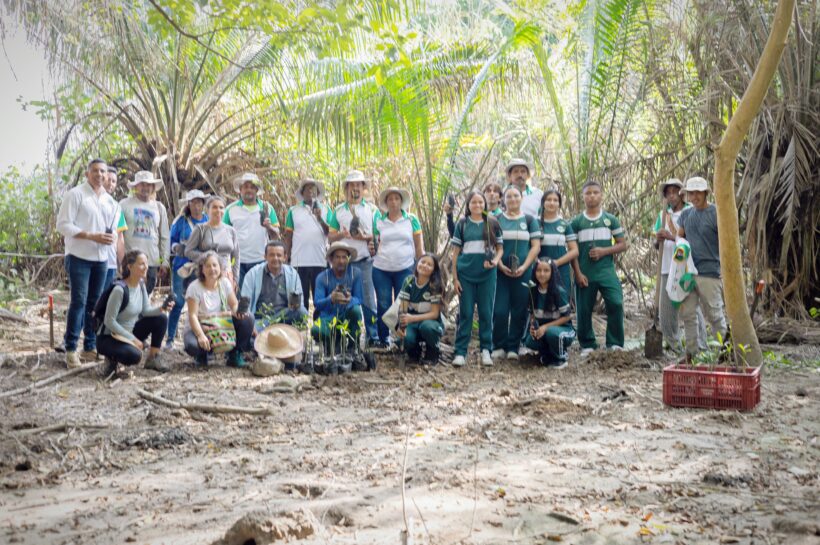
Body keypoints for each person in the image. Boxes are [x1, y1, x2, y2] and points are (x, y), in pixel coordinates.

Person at [56, 159, 122, 368]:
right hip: (78, 257)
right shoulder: (75, 195)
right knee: (78, 301)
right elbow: (63, 225)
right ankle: (70, 348)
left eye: (102, 171)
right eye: (95, 171)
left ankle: (90, 346)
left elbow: (112, 233)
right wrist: (91, 236)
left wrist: (109, 242)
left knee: (95, 305)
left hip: (102, 260)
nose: (99, 174)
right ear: (87, 174)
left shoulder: (112, 203)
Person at [570, 180, 628, 355]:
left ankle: (615, 343)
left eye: (595, 192)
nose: (592, 196)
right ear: (583, 196)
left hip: (606, 271)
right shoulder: (576, 222)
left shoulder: (610, 220)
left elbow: (623, 244)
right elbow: (572, 251)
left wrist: (604, 251)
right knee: (583, 309)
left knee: (616, 303)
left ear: (601, 195)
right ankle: (587, 344)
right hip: (585, 272)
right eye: (588, 193)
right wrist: (577, 273)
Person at [677, 176, 728, 361]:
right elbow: (680, 239)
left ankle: (725, 353)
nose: (694, 196)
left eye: (698, 192)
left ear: (706, 193)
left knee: (715, 314)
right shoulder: (685, 215)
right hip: (689, 274)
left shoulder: (716, 213)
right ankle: (691, 353)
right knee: (689, 315)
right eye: (691, 193)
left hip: (710, 272)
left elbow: (726, 241)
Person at [450, 191, 504, 367]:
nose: (477, 206)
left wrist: (495, 261)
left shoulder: (493, 223)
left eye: (481, 202)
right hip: (465, 275)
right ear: (468, 205)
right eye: (474, 202)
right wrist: (455, 279)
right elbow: (456, 254)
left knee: (486, 313)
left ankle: (486, 350)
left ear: (485, 204)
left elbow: (500, 249)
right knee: (465, 313)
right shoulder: (463, 224)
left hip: (487, 276)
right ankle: (460, 352)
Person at [653, 179, 706, 353]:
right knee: (666, 309)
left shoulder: (691, 213)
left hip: (686, 268)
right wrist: (658, 239)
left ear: (682, 194)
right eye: (668, 193)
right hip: (666, 266)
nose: (672, 195)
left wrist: (669, 236)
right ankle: (673, 344)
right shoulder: (663, 216)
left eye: (675, 191)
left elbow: (694, 239)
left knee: (691, 307)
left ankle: (700, 345)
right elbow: (655, 243)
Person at [97, 250, 171, 374]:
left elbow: (146, 311)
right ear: (130, 267)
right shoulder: (119, 290)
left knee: (161, 318)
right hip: (109, 337)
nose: (146, 267)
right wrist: (133, 339)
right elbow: (109, 321)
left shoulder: (141, 285)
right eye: (141, 264)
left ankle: (153, 358)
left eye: (146, 263)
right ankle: (111, 360)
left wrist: (162, 308)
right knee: (134, 356)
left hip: (129, 332)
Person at [328, 170, 379, 346]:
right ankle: (344, 337)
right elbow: (330, 236)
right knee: (343, 299)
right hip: (343, 263)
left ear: (363, 188)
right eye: (351, 185)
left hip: (365, 261)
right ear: (347, 188)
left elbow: (378, 235)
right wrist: (342, 234)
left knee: (368, 300)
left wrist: (365, 237)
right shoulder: (338, 210)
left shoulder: (372, 209)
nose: (355, 188)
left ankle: (373, 337)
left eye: (358, 185)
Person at [492, 185, 542, 360]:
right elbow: (492, 246)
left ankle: (513, 347)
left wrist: (525, 266)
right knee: (500, 310)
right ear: (503, 200)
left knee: (519, 310)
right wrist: (500, 266)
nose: (513, 199)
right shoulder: (497, 219)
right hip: (500, 273)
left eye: (516, 196)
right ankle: (499, 345)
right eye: (509, 196)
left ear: (521, 198)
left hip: (523, 272)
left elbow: (536, 246)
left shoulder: (529, 220)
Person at [372, 187, 424, 348]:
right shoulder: (379, 220)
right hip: (381, 268)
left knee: (402, 305)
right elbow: (374, 243)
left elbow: (419, 247)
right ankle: (383, 339)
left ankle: (402, 338)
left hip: (405, 268)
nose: (393, 202)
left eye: (396, 198)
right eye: (390, 199)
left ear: (401, 201)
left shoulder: (411, 219)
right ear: (386, 203)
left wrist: (420, 267)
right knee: (383, 303)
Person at [184, 251, 254, 368]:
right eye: (207, 266)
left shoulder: (225, 283)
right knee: (192, 345)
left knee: (248, 318)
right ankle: (202, 355)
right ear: (202, 269)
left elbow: (234, 304)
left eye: (215, 265)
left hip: (220, 324)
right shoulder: (194, 287)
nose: (212, 269)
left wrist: (239, 311)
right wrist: (201, 335)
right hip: (201, 327)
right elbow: (193, 316)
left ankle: (234, 354)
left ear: (220, 268)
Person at [166, 189, 209, 347]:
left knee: (200, 303)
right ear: (188, 204)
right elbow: (172, 241)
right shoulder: (181, 221)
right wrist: (177, 247)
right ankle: (170, 338)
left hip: (201, 267)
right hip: (181, 266)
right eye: (193, 203)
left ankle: (199, 336)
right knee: (177, 301)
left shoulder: (208, 220)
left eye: (199, 202)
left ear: (203, 204)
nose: (196, 206)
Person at [223, 172, 280, 289]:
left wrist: (269, 227)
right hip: (237, 261)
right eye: (245, 187)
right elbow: (223, 234)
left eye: (252, 187)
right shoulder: (231, 209)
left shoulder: (267, 208)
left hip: (260, 260)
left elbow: (276, 236)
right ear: (240, 189)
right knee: (240, 296)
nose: (249, 190)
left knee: (260, 295)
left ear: (257, 190)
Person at [283, 178, 332, 310]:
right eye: (308, 188)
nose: (311, 191)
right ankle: (300, 328)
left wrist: (320, 218)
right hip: (299, 261)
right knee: (300, 299)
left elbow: (330, 233)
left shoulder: (326, 209)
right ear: (302, 192)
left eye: (314, 188)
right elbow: (288, 236)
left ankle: (320, 329)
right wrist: (287, 256)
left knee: (320, 299)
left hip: (320, 261)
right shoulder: (293, 211)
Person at [119, 171, 170, 295]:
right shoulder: (124, 205)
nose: (145, 188)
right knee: (128, 297)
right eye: (142, 184)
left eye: (148, 185)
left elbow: (164, 236)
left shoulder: (159, 208)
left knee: (146, 297)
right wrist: (120, 260)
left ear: (153, 187)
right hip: (130, 261)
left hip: (151, 262)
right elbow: (118, 233)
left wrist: (164, 261)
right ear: (135, 187)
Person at [241, 240, 308, 330]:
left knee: (302, 312)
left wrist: (295, 301)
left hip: (284, 318)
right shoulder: (253, 274)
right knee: (246, 325)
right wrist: (248, 322)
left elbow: (298, 305)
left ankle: (271, 327)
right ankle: (266, 328)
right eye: (272, 255)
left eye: (279, 255)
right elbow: (244, 303)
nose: (275, 258)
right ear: (265, 257)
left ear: (285, 257)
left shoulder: (292, 274)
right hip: (260, 320)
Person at [312, 242, 364, 353]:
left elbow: (359, 299)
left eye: (344, 257)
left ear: (348, 259)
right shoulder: (322, 277)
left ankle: (353, 346)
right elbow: (317, 303)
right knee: (316, 330)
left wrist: (350, 300)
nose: (341, 261)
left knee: (356, 310)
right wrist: (331, 298)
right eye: (337, 257)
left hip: (346, 316)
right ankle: (331, 342)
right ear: (331, 259)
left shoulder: (356, 274)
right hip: (328, 317)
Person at [524, 258, 576, 368]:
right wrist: (533, 328)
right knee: (529, 340)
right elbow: (533, 315)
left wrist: (545, 327)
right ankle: (546, 354)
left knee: (552, 333)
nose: (542, 274)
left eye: (546, 270)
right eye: (539, 270)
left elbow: (567, 317)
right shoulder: (533, 290)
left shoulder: (558, 291)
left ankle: (561, 358)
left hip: (563, 330)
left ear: (552, 272)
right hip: (544, 329)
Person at [395, 253, 444, 365]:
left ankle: (433, 351)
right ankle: (414, 351)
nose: (425, 265)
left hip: (430, 322)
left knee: (428, 327)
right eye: (422, 262)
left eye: (429, 264)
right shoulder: (409, 281)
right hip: (411, 322)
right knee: (405, 339)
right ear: (417, 264)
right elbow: (403, 309)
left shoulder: (434, 285)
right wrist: (401, 325)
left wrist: (412, 318)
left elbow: (434, 314)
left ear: (434, 270)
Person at [185, 196, 240, 286]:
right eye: (214, 207)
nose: (218, 210)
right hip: (207, 275)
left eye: (221, 207)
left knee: (226, 300)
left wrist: (235, 278)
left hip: (227, 275)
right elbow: (188, 251)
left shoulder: (231, 231)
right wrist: (208, 257)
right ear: (207, 210)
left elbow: (236, 256)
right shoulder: (200, 229)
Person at [538, 188, 578, 298]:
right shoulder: (535, 223)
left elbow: (574, 251)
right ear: (543, 203)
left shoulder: (565, 224)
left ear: (559, 204)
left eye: (555, 200)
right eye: (548, 200)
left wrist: (557, 262)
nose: (552, 203)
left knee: (561, 301)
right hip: (540, 270)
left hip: (561, 269)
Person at [102, 166, 127, 291]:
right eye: (108, 179)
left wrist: (123, 263)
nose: (110, 184)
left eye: (114, 181)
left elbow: (120, 238)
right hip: (93, 260)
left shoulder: (117, 207)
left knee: (104, 300)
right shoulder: (90, 201)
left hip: (111, 263)